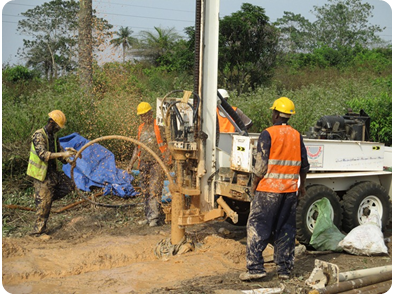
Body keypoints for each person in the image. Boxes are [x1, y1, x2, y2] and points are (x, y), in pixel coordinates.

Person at [239, 97, 310, 281]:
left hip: (268, 191)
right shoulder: (296, 135)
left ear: (276, 113)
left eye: (273, 112)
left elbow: (261, 165)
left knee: (258, 226)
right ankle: (284, 269)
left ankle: (255, 268)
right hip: (289, 192)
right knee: (286, 229)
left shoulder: (268, 134)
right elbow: (304, 165)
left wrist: (254, 184)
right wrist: (301, 186)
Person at [27, 110, 77, 235]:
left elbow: (60, 155)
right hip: (41, 175)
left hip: (52, 173)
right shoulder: (38, 135)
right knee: (43, 207)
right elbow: (43, 155)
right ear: (51, 122)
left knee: (69, 184)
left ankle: (44, 198)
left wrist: (69, 159)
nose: (58, 129)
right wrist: (63, 153)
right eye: (57, 127)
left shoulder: (53, 137)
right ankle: (38, 233)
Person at [128, 102, 172, 227]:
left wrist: (166, 161)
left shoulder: (159, 126)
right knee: (145, 190)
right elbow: (137, 147)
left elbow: (168, 144)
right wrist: (131, 164)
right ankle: (148, 217)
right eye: (141, 116)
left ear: (151, 113)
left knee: (154, 190)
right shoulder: (141, 128)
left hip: (157, 163)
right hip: (144, 164)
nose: (144, 117)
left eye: (146, 115)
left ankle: (154, 218)